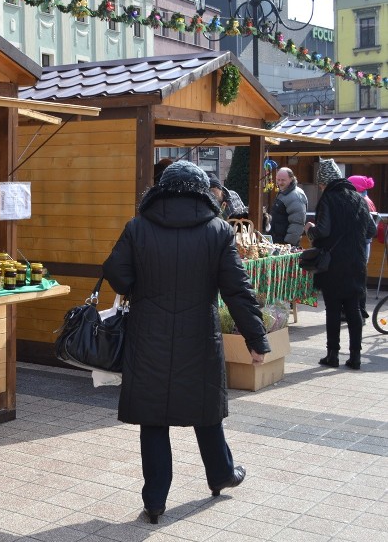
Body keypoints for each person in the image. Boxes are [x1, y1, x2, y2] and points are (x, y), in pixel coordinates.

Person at [102, 161, 270, 524]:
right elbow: (237, 291)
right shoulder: (218, 231)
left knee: (153, 417)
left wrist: (138, 292)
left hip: (148, 334)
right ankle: (222, 474)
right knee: (205, 410)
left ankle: (156, 500)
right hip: (200, 335)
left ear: (162, 188)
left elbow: (115, 271)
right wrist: (255, 339)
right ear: (201, 191)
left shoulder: (138, 227)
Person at [305, 160, 377, 369]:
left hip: (333, 264)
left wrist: (310, 228)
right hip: (356, 261)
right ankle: (355, 357)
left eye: (320, 184)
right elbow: (371, 231)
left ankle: (332, 355)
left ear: (325, 182)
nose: (320, 188)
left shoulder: (329, 198)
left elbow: (323, 231)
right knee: (354, 309)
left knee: (334, 308)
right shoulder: (358, 198)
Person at [348, 175, 378, 319]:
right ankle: (361, 309)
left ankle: (359, 309)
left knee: (355, 278)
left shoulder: (361, 201)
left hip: (360, 244)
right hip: (365, 244)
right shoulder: (367, 200)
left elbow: (370, 227)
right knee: (360, 277)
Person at [269, 167, 308, 246]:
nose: (280, 182)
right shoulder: (284, 193)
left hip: (286, 245)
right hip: (278, 243)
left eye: (283, 180)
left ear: (291, 179)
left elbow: (297, 223)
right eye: (278, 180)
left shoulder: (295, 196)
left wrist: (288, 244)